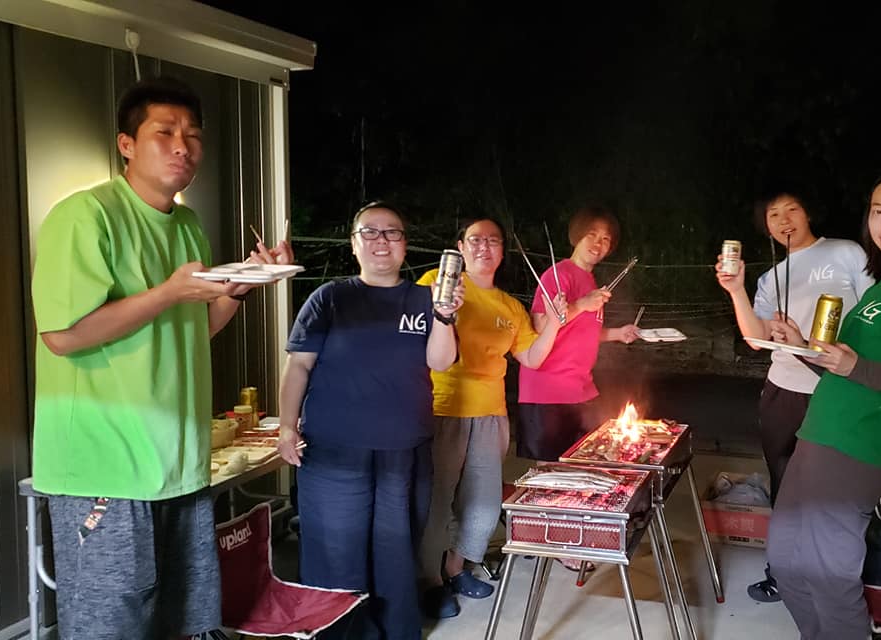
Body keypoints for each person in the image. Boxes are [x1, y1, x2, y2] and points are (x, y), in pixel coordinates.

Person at [31, 76, 293, 639]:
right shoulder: (86, 215)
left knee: (181, 620)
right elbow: (62, 335)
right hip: (104, 468)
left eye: (193, 135)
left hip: (178, 465)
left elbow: (195, 329)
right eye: (165, 133)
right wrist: (168, 292)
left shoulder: (188, 225)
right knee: (110, 626)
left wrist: (238, 288)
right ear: (126, 144)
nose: (183, 147)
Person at [765, 167, 881, 639]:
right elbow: (845, 373)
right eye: (878, 211)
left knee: (829, 577)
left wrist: (856, 367)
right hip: (816, 436)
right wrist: (801, 347)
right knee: (786, 563)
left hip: (855, 449)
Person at [276, 202, 461, 639]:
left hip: (404, 449)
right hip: (334, 449)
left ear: (405, 244)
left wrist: (445, 316)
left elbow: (441, 361)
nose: (382, 241)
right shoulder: (330, 298)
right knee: (336, 550)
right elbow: (298, 365)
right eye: (370, 232)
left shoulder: (426, 298)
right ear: (353, 243)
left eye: (392, 233)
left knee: (395, 548)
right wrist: (286, 425)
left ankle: (395, 630)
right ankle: (340, 633)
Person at [715, 188, 874, 602]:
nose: (784, 220)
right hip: (783, 391)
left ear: (808, 213)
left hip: (836, 391)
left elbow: (875, 315)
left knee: (835, 488)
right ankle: (783, 572)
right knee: (784, 483)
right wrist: (736, 290)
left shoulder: (846, 253)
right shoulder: (771, 278)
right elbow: (756, 338)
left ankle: (836, 576)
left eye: (792, 209)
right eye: (773, 214)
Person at [414, 218, 565, 618]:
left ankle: (456, 568)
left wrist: (554, 322)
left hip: (491, 414)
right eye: (475, 240)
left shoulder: (510, 307)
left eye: (493, 241)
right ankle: (428, 581)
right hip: (442, 408)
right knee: (436, 501)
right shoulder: (435, 283)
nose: (484, 247)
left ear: (502, 252)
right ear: (461, 247)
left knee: (482, 503)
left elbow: (531, 357)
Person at [516, 206, 640, 463]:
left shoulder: (589, 281)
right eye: (591, 235)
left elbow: (583, 332)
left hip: (581, 389)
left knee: (587, 466)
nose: (598, 244)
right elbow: (540, 325)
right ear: (576, 236)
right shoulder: (558, 275)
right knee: (551, 476)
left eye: (605, 239)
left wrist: (618, 333)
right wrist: (582, 304)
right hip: (549, 392)